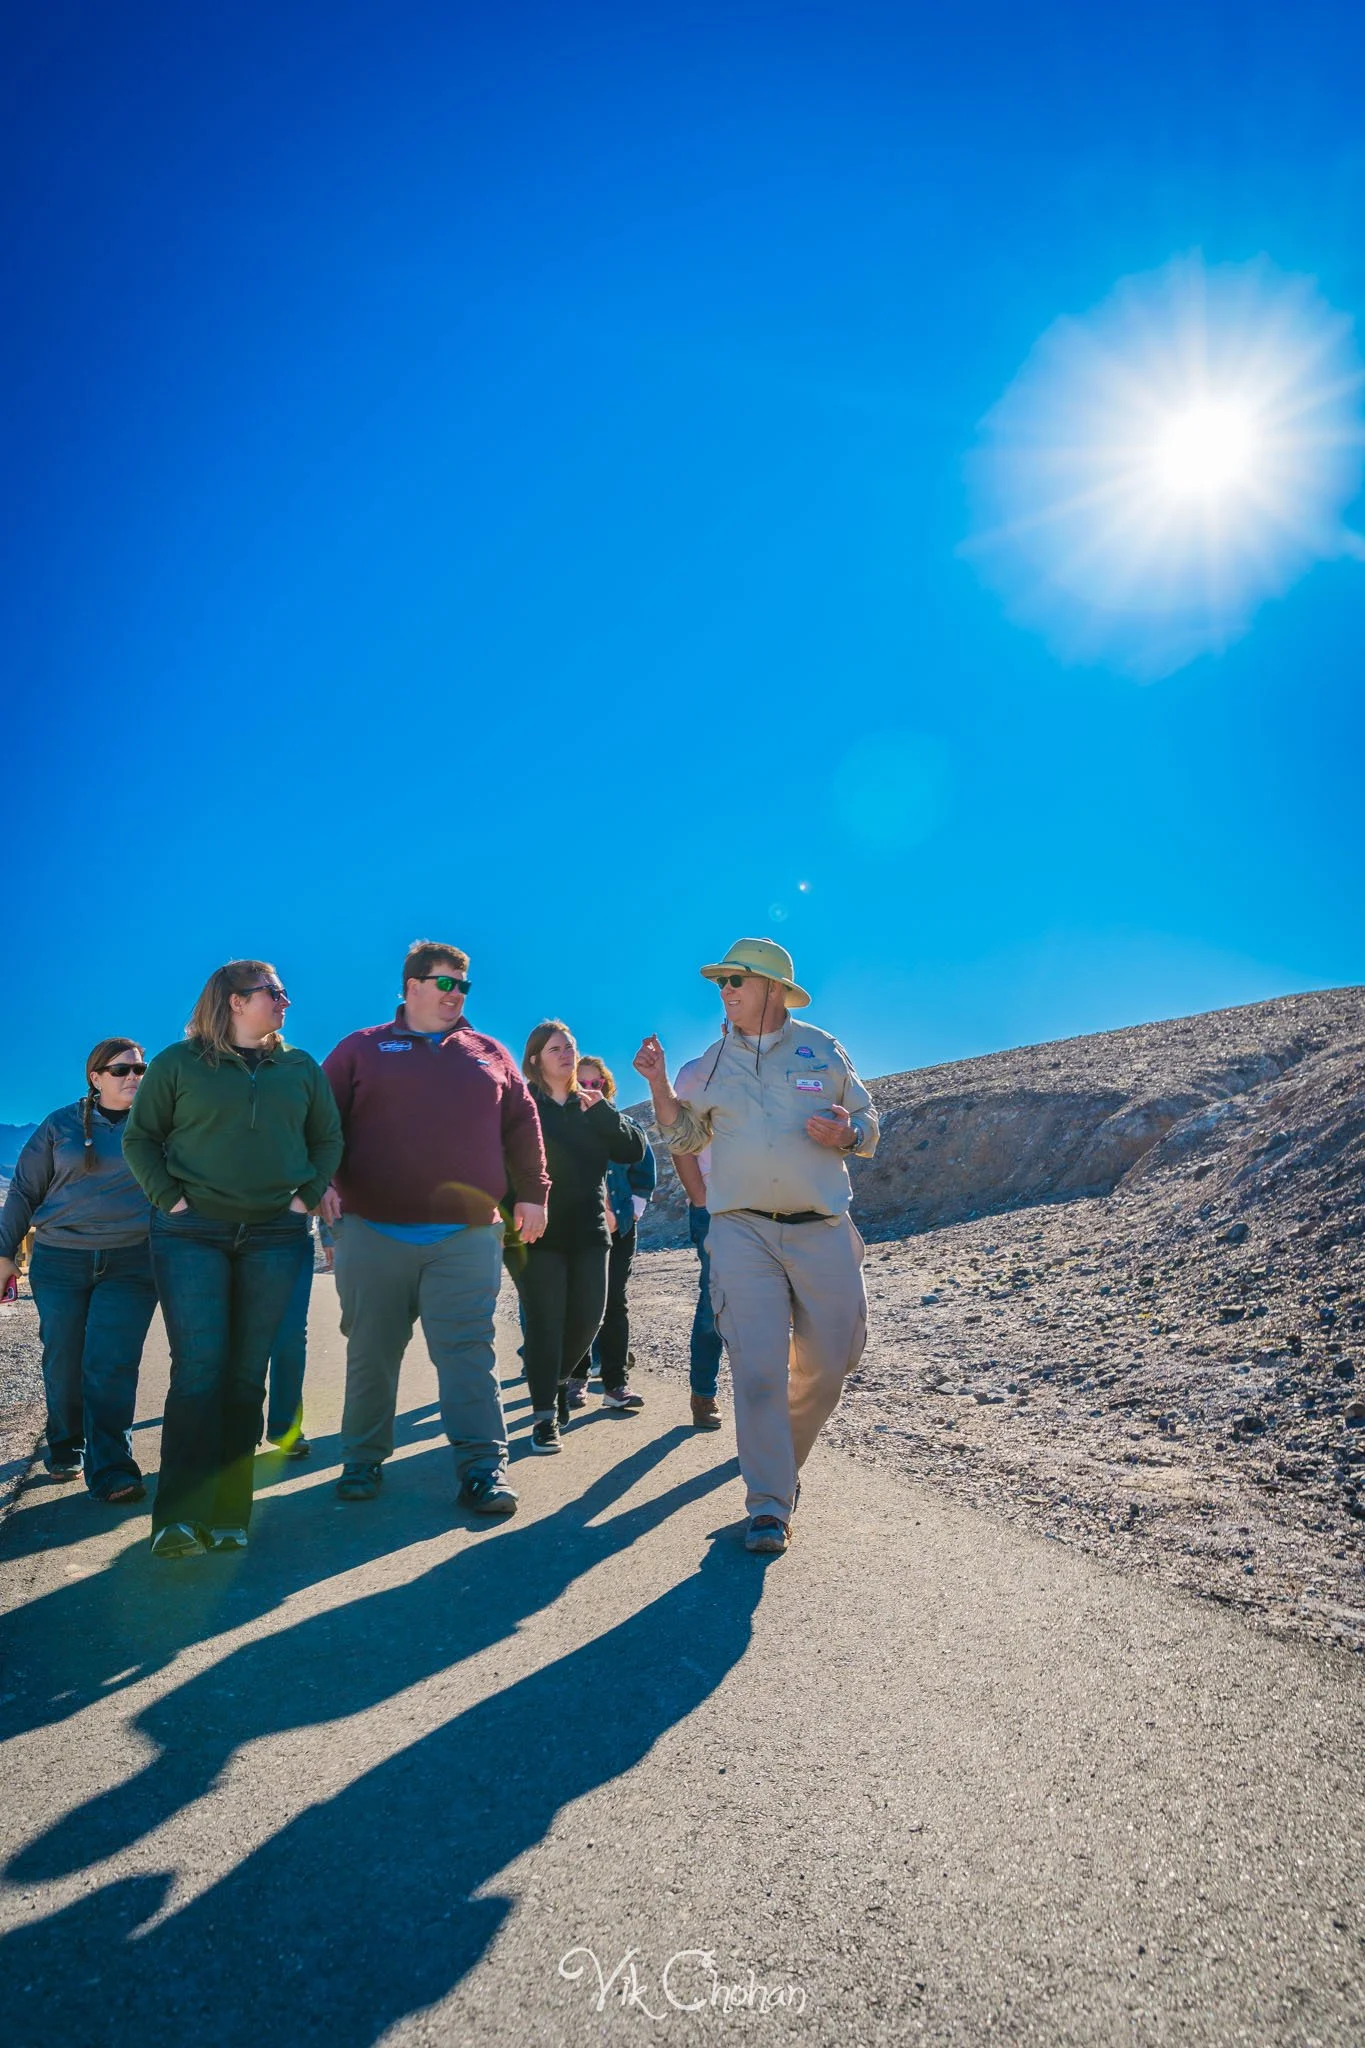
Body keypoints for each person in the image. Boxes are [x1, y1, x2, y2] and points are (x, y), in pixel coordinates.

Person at [634, 937, 879, 1554]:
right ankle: (768, 1504)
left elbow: (870, 1121)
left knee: (830, 1366)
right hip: (740, 1229)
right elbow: (686, 1133)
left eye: (735, 982)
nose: (725, 993)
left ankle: (780, 1465)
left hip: (822, 1227)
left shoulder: (821, 1049)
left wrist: (849, 1133)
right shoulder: (713, 1061)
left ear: (772, 987)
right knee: (759, 1369)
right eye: (721, 984)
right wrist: (661, 1086)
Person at [321, 940, 549, 1514]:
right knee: (372, 1350)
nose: (456, 995)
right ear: (413, 985)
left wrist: (534, 1195)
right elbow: (319, 1122)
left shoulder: (488, 1052)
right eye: (446, 982)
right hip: (373, 1229)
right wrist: (318, 1181)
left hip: (466, 1234)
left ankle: (483, 1469)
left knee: (469, 1350)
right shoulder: (361, 1049)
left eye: (463, 986)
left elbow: (523, 1126)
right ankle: (362, 1459)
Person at [124, 962, 343, 1559]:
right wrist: (168, 1198)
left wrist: (307, 1192)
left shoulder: (300, 1067)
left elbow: (328, 1136)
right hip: (191, 1233)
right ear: (234, 1001)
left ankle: (228, 1515)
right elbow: (140, 1137)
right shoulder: (178, 1063)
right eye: (274, 993)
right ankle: (177, 1519)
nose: (285, 1002)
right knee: (200, 1370)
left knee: (247, 1375)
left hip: (276, 1234)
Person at [0, 1040, 157, 1502]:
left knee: (112, 1363)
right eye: (121, 1069)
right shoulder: (59, 1125)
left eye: (141, 1068)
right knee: (64, 1358)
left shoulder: (159, 1125)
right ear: (95, 1077)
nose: (134, 1076)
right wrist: (4, 1253)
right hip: (60, 1258)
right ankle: (66, 1443)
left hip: (132, 1261)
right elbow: (24, 1192)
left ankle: (112, 1469)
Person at [514, 1021, 647, 1453]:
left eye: (570, 1046)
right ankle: (543, 1417)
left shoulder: (590, 1106)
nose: (567, 1053)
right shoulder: (522, 1105)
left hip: (590, 1230)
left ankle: (555, 1385)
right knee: (544, 1321)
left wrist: (604, 1111)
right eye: (555, 1048)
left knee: (589, 1317)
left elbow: (632, 1151)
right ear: (535, 1058)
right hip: (536, 1234)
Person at [564, 1055, 657, 1412]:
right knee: (578, 1303)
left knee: (614, 1304)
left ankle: (616, 1385)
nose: (589, 1090)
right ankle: (576, 1379)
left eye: (595, 1083)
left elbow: (643, 1176)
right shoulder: (565, 1125)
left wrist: (626, 1215)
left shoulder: (627, 1126)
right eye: (581, 1084)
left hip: (619, 1231)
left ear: (607, 1086)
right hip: (577, 1230)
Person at [665, 1088, 725, 1431]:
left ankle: (767, 1406)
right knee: (714, 1303)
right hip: (714, 1209)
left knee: (771, 1307)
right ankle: (703, 1393)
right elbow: (680, 1138)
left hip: (766, 1207)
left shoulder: (773, 1071)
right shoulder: (700, 1075)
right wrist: (700, 1198)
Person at [260, 1214, 330, 1461]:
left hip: (293, 1236)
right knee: (244, 1336)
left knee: (290, 1336)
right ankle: (241, 1427)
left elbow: (324, 1177)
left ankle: (285, 1427)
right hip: (231, 1235)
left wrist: (328, 1233)